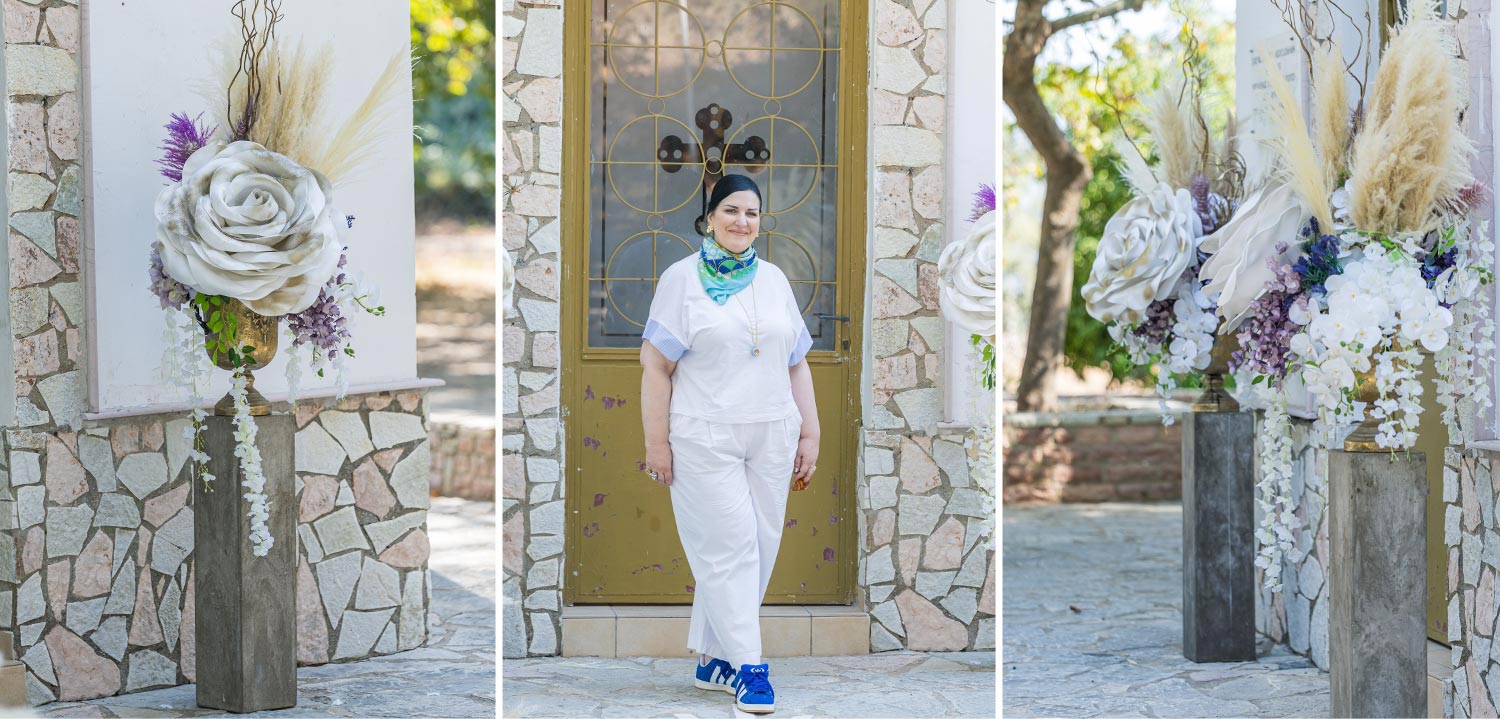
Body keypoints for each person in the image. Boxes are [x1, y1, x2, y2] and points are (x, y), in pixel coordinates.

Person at [638, 173, 820, 714]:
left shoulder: (774, 279)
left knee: (759, 545)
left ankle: (713, 660)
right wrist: (656, 444)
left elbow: (797, 361)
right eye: (732, 211)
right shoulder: (682, 279)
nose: (743, 221)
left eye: (752, 213)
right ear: (710, 217)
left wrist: (809, 431)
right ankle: (751, 669)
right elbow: (655, 367)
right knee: (730, 547)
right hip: (703, 434)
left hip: (773, 430)